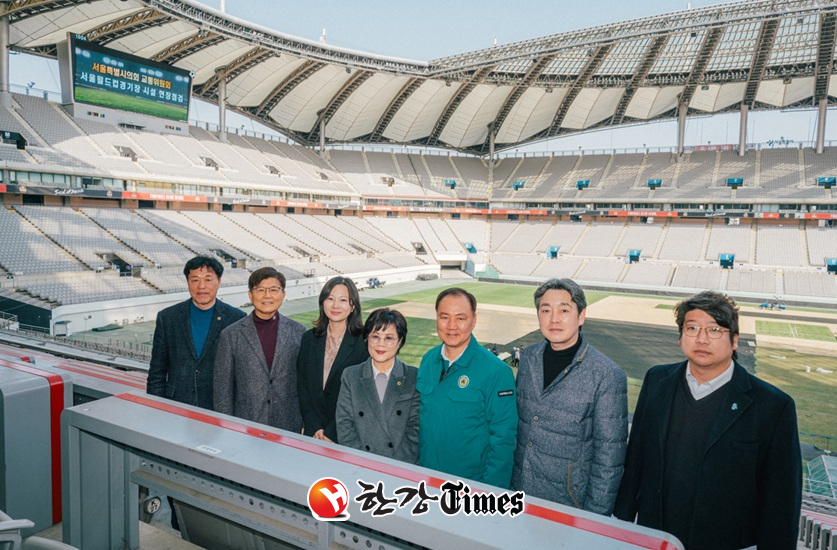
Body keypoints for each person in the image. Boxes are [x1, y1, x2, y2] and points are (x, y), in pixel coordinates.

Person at [614, 291, 802, 550]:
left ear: (734, 340)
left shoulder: (772, 406)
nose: (702, 339)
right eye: (692, 328)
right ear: (680, 337)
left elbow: (781, 499)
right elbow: (636, 456)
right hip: (656, 534)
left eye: (714, 330)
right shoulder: (657, 381)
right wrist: (621, 521)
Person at [510, 278, 627, 515]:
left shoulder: (606, 374)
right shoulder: (529, 358)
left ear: (581, 316)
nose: (554, 319)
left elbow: (609, 459)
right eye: (546, 310)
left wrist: (594, 520)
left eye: (564, 310)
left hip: (569, 506)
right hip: (519, 496)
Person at [416, 287, 517, 488]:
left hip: (469, 490)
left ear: (474, 320)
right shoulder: (428, 360)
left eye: (460, 318)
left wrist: (488, 495)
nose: (452, 326)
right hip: (427, 481)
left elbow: (503, 440)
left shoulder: (496, 372)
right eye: (444, 317)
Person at [147, 255, 245, 409]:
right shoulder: (167, 318)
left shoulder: (237, 319)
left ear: (219, 281)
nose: (201, 286)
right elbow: (156, 373)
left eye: (208, 279)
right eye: (195, 280)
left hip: (219, 409)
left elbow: (241, 375)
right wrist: (155, 408)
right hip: (175, 406)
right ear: (188, 282)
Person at [214, 267, 305, 431]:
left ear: (283, 294)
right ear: (250, 295)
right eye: (260, 290)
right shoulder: (231, 334)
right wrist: (226, 427)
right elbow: (222, 390)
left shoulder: (298, 331)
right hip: (246, 424)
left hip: (288, 424)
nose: (267, 295)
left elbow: (305, 384)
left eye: (274, 290)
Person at [336, 308, 419, 463]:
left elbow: (416, 429)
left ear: (399, 341)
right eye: (375, 337)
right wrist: (364, 463)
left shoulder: (413, 377)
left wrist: (394, 466)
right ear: (367, 339)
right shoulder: (351, 376)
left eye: (389, 338)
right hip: (360, 466)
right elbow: (344, 426)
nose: (381, 344)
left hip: (401, 467)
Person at [298, 277, 369, 443]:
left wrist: (332, 433)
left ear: (353, 306)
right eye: (330, 298)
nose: (336, 305)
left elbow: (361, 396)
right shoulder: (308, 338)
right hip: (313, 432)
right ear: (323, 302)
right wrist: (314, 426)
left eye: (343, 300)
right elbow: (302, 386)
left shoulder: (364, 343)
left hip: (346, 434)